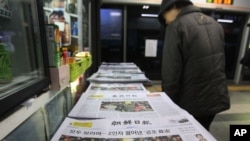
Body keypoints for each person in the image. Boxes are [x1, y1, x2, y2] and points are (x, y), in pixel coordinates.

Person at [158, 0, 230, 130]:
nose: (166, 21)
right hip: (215, 99)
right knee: (203, 132)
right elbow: (219, 62)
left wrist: (167, 105)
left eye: (164, 16)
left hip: (190, 104)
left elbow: (171, 74)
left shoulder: (176, 26)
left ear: (173, 5)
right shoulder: (216, 25)